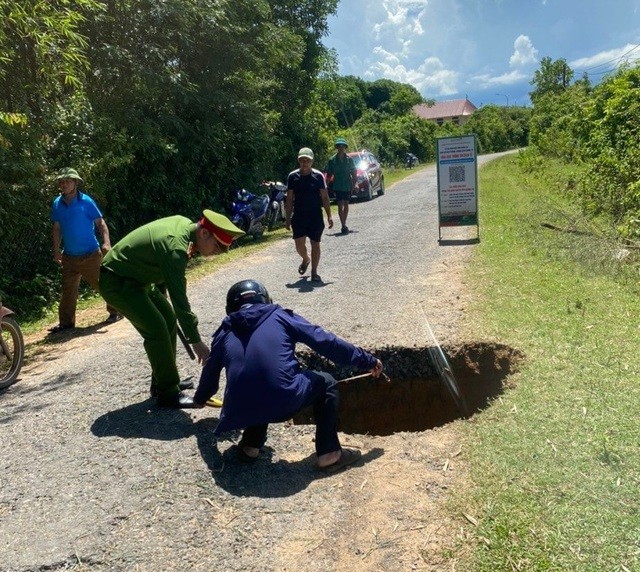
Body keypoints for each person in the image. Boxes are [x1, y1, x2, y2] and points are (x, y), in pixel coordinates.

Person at [193, 279, 384, 472]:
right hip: (284, 401)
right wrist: (367, 360)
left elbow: (210, 372)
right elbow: (326, 342)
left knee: (255, 379)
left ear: (231, 308)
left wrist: (200, 398)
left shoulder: (224, 330)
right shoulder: (279, 316)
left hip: (238, 411)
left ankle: (251, 446)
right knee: (326, 383)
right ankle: (329, 453)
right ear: (265, 299)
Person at [99, 210, 245, 408]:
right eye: (218, 246)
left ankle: (164, 382)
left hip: (140, 279)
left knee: (168, 319)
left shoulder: (185, 227)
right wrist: (196, 340)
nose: (217, 253)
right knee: (157, 328)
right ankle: (168, 394)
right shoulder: (176, 248)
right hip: (118, 281)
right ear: (204, 233)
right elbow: (180, 300)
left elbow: (155, 260)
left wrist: (164, 304)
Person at [49, 167, 121, 334]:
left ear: (75, 183)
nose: (64, 184)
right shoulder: (57, 203)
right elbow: (57, 229)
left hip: (90, 255)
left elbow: (101, 223)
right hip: (69, 256)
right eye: (61, 181)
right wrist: (56, 250)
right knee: (68, 289)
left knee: (102, 284)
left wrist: (106, 243)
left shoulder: (86, 201)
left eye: (68, 181)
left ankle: (116, 311)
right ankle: (66, 323)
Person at [285, 147, 333, 282]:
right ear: (299, 161)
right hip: (299, 216)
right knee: (299, 245)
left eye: (307, 160)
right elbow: (289, 199)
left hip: (315, 215)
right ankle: (306, 259)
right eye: (302, 160)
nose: (304, 163)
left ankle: (314, 272)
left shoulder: (318, 176)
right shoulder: (292, 177)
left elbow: (324, 197)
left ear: (312, 161)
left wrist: (329, 215)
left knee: (315, 243)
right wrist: (287, 218)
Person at [324, 137, 356, 234]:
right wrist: (326, 185)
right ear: (337, 147)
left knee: (346, 203)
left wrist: (355, 184)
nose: (341, 148)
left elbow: (354, 172)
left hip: (347, 184)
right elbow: (329, 174)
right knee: (340, 204)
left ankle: (344, 222)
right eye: (339, 146)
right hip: (337, 184)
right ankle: (343, 225)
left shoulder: (349, 160)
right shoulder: (332, 160)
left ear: (345, 147)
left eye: (342, 146)